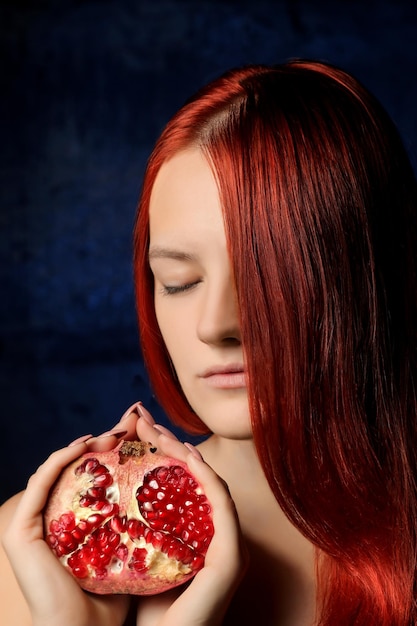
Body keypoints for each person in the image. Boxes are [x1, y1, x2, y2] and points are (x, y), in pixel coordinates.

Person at [1, 58, 416, 626]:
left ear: (367, 278)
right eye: (181, 282)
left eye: (266, 276)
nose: (213, 324)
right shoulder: (27, 556)